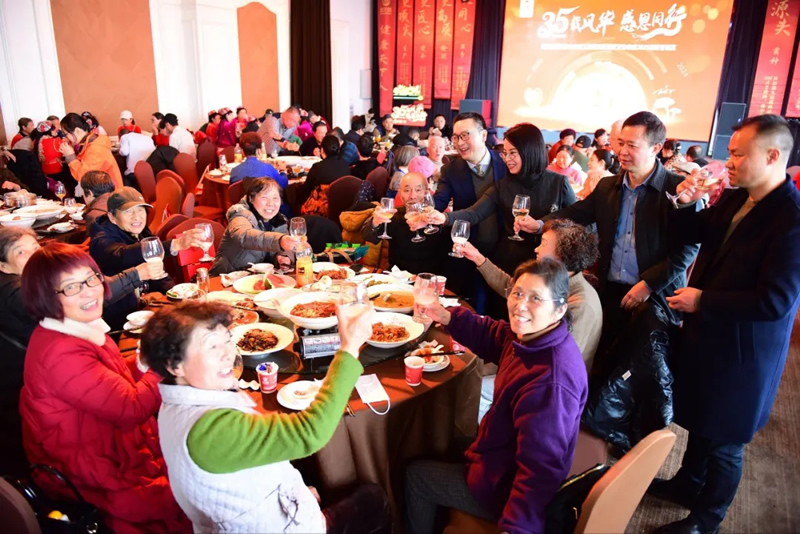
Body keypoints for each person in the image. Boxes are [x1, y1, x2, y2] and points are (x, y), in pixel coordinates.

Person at [645, 115, 800, 534]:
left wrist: (702, 300)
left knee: (725, 443)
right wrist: (684, 201)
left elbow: (776, 301)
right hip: (709, 335)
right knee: (702, 420)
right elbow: (692, 233)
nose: (728, 162)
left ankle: (706, 520)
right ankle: (687, 484)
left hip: (744, 352)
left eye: (738, 154)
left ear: (772, 156)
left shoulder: (790, 218)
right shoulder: (736, 198)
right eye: (729, 153)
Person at [141, 300, 391, 533]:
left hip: (262, 510)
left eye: (227, 340)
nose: (228, 354)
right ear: (174, 365)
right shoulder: (208, 431)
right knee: (373, 498)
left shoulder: (174, 403)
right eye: (211, 346)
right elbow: (310, 431)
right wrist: (349, 347)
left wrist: (299, 492)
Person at [405, 258, 588, 534]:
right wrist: (448, 317)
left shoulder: (551, 383)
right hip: (497, 452)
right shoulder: (533, 337)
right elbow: (497, 336)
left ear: (560, 309)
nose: (521, 305)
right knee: (440, 440)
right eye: (518, 293)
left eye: (536, 298)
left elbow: (539, 472)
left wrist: (516, 527)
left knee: (416, 476)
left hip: (502, 487)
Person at [18, 242, 190, 533]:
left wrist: (144, 362)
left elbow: (111, 379)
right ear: (45, 296)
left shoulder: (74, 327)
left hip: (106, 442)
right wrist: (164, 362)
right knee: (193, 491)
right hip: (93, 469)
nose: (88, 291)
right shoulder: (61, 352)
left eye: (90, 279)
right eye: (70, 287)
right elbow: (131, 408)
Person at [518, 111, 699, 377]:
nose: (622, 152)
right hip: (612, 290)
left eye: (632, 145)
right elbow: (578, 213)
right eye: (621, 143)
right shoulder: (607, 186)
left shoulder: (678, 189)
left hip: (656, 296)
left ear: (656, 148)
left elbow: (688, 249)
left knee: (645, 373)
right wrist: (540, 224)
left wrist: (648, 284)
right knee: (606, 366)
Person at [427, 122, 576, 275]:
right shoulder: (504, 185)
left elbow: (577, 220)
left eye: (513, 153)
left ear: (530, 151)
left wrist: (541, 225)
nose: (507, 159)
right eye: (505, 153)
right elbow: (474, 213)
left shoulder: (558, 183)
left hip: (548, 263)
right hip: (510, 261)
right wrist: (443, 218)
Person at [457, 218, 602, 371]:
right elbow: (510, 287)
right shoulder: (555, 279)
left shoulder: (581, 304)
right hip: (523, 358)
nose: (536, 249)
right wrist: (477, 257)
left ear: (563, 255)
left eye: (543, 243)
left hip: (538, 376)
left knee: (468, 376)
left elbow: (558, 363)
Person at [89, 187, 203, 328]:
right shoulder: (101, 239)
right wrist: (175, 244)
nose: (137, 217)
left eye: (140, 210)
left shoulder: (139, 231)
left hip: (146, 310)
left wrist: (176, 297)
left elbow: (157, 270)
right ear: (112, 217)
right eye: (128, 211)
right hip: (122, 320)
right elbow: (122, 255)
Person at [433, 112, 507, 254]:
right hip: (466, 248)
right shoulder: (450, 170)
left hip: (502, 249)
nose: (460, 143)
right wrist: (424, 208)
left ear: (483, 135)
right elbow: (439, 201)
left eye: (465, 135)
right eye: (456, 137)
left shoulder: (505, 164)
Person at [361, 172, 448, 274]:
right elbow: (368, 236)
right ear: (400, 193)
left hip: (431, 277)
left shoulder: (437, 217)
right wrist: (375, 222)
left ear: (426, 192)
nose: (412, 196)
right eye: (407, 190)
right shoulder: (394, 215)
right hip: (398, 277)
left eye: (418, 190)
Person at [211, 178, 299, 275]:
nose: (270, 203)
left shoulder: (279, 221)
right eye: (264, 197)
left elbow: (285, 246)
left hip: (254, 278)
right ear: (251, 198)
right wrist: (279, 241)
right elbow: (243, 235)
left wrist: (284, 257)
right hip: (225, 277)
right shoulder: (240, 214)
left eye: (275, 198)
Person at [59, 112, 123, 189]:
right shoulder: (87, 143)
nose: (65, 138)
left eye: (66, 134)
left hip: (110, 193)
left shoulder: (96, 148)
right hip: (100, 190)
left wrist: (71, 157)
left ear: (78, 131)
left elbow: (84, 176)